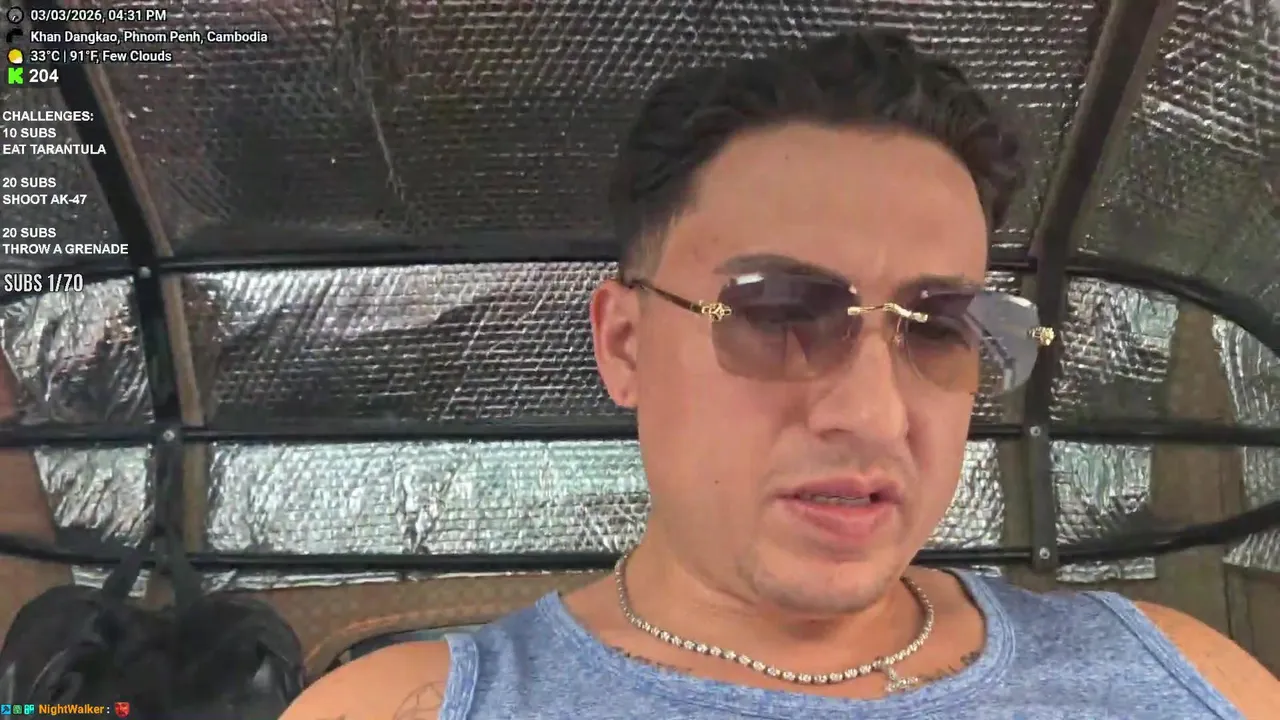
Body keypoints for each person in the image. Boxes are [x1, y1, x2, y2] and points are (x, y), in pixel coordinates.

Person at [282, 28, 1278, 719]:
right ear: (625, 344)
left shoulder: (1181, 673)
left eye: (940, 327)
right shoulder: (403, 707)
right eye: (779, 315)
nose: (873, 413)